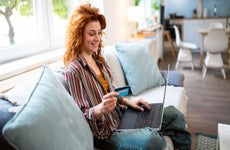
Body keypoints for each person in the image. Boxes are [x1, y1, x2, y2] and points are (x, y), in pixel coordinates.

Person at [63, 4, 191, 150]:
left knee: (175, 114)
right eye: (92, 33)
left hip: (121, 115)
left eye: (99, 33)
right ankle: (151, 130)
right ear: (78, 34)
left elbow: (111, 93)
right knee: (151, 140)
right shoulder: (74, 70)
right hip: (106, 133)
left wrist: (128, 101)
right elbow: (81, 115)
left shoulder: (99, 60)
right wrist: (100, 109)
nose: (97, 38)